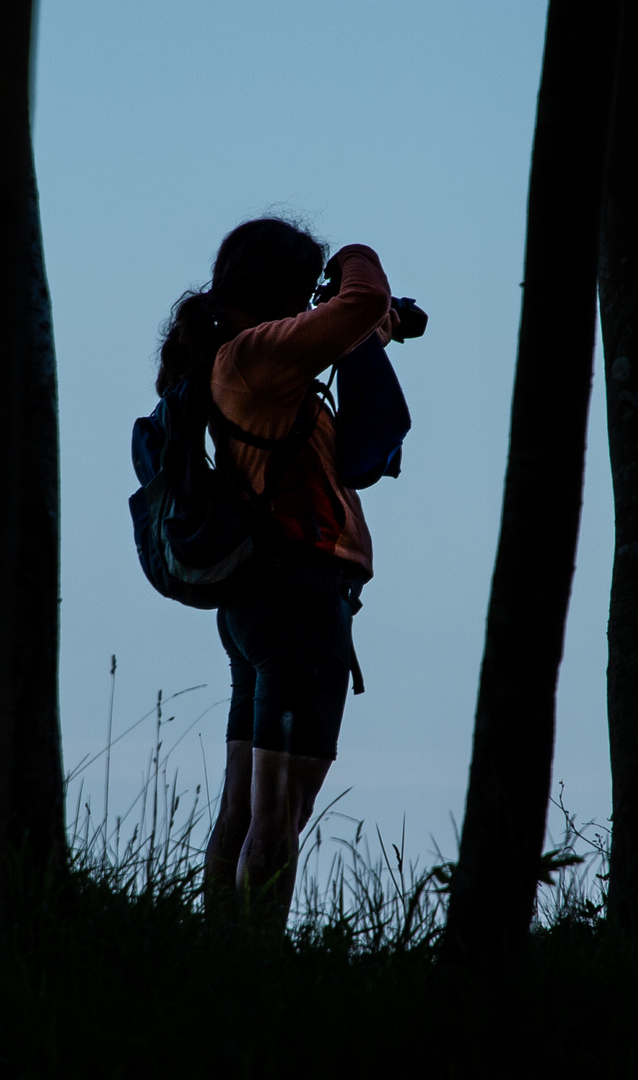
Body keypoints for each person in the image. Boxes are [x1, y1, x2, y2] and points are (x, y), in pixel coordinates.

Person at [154, 217, 400, 926]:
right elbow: (354, 305)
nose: (311, 303)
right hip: (298, 599)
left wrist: (372, 335)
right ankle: (257, 964)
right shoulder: (256, 352)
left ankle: (223, 957)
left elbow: (351, 328)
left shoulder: (245, 360)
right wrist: (355, 257)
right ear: (281, 288)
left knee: (243, 804)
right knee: (281, 808)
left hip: (261, 603)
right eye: (305, 288)